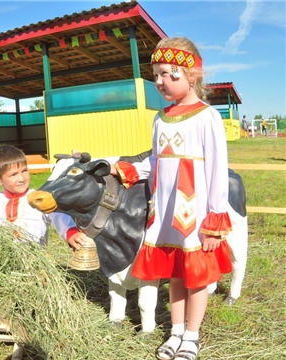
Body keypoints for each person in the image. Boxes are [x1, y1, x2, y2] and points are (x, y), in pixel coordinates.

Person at [110, 37, 232, 360]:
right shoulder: (160, 119)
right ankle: (176, 330)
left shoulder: (208, 118)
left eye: (169, 74)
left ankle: (192, 336)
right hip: (166, 213)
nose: (161, 81)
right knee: (176, 274)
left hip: (195, 214)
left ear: (192, 75)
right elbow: (155, 161)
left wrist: (214, 219)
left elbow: (218, 170)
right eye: (157, 76)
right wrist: (128, 169)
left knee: (196, 278)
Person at [0, 144, 87, 249]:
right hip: (2, 267)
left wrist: (70, 233)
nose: (21, 178)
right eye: (13, 175)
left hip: (37, 266)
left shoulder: (37, 198)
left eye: (24, 171)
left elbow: (59, 216)